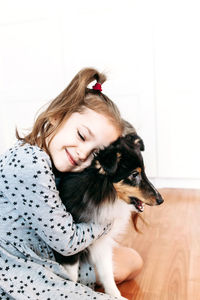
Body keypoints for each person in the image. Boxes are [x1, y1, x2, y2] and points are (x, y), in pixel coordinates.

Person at [0, 68, 143, 300]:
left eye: (95, 152)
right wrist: (108, 223)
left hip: (43, 257)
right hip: (15, 271)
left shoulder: (57, 165)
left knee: (131, 261)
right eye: (82, 136)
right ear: (57, 115)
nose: (82, 154)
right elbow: (66, 242)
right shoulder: (30, 163)